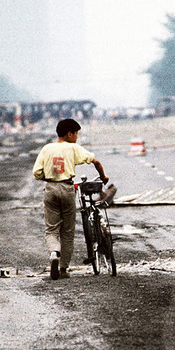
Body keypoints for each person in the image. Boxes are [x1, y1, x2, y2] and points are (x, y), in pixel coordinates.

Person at [32, 118, 109, 280]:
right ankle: (63, 269)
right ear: (69, 134)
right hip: (67, 189)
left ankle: (54, 253)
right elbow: (96, 161)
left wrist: (49, 177)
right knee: (67, 232)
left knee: (51, 229)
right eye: (76, 134)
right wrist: (103, 177)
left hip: (51, 189)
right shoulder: (73, 148)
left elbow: (37, 173)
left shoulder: (47, 149)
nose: (77, 138)